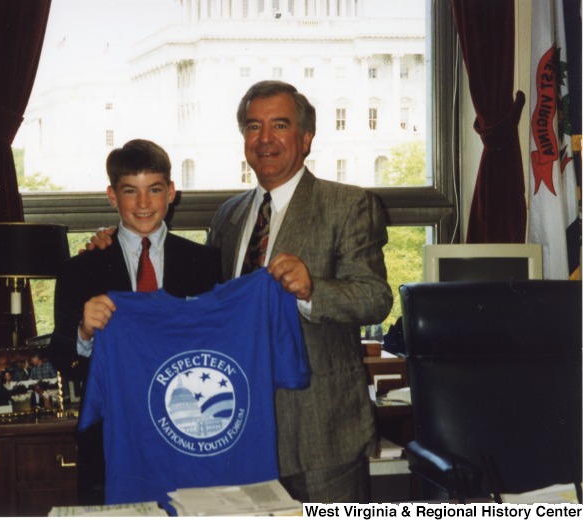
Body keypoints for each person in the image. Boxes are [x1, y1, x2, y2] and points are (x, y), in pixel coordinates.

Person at [87, 81, 392, 503]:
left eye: (279, 125)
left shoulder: (348, 205)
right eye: (253, 127)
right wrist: (114, 240)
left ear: (305, 138)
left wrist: (313, 290)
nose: (264, 139)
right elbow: (200, 313)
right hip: (235, 433)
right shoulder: (229, 217)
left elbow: (376, 298)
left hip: (320, 433)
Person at [51, 138, 223, 505]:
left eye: (154, 190)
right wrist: (82, 331)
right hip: (112, 437)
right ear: (113, 196)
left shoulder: (206, 263)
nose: (143, 204)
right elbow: (60, 358)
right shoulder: (79, 270)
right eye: (131, 192)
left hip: (189, 431)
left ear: (171, 193)